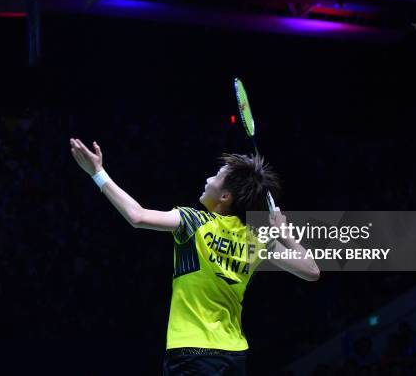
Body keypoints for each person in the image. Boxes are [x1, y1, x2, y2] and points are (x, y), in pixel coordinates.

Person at [70, 138, 320, 375]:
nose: (208, 178)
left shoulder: (193, 221)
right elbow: (311, 271)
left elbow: (137, 216)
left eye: (216, 176)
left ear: (225, 197)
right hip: (234, 354)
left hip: (191, 351)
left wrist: (97, 173)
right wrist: (284, 234)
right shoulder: (256, 239)